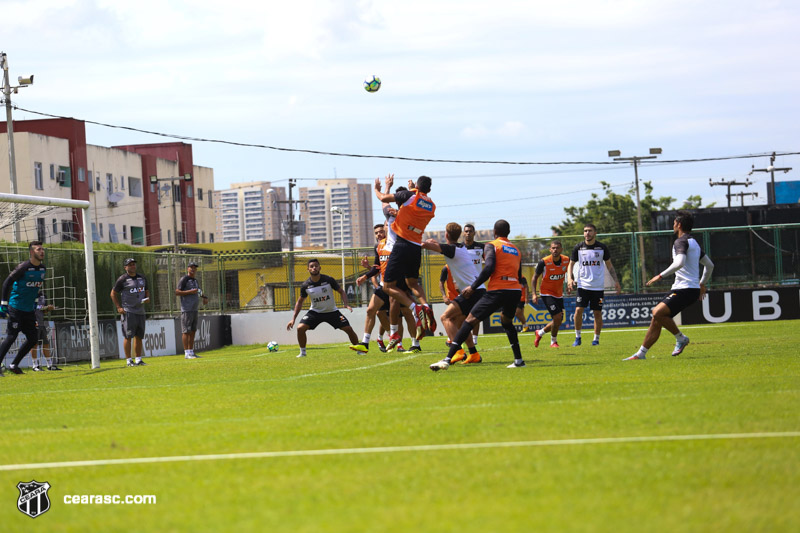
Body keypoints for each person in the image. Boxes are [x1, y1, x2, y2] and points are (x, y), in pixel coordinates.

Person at [430, 219, 526, 371]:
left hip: (497, 289)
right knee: (507, 322)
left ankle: (448, 358)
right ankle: (518, 360)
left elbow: (488, 268)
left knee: (468, 322)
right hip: (514, 290)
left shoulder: (491, 245)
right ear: (508, 232)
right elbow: (519, 274)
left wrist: (473, 287)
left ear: (494, 232)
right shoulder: (515, 249)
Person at [625, 211, 714, 361]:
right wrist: (702, 283)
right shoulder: (694, 242)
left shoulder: (680, 241)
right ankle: (641, 354)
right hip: (686, 289)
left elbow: (679, 263)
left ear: (678, 224)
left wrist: (660, 276)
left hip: (685, 289)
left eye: (674, 223)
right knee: (657, 319)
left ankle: (681, 338)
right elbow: (710, 265)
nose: (673, 225)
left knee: (657, 312)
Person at [373, 174, 437, 349]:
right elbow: (414, 207)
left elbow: (384, 200)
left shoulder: (405, 200)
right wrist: (412, 189)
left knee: (387, 287)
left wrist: (379, 189)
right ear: (429, 189)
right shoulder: (431, 204)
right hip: (416, 247)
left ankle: (416, 309)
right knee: (412, 283)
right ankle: (425, 307)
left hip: (401, 246)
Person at [423, 222, 484, 364]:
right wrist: (434, 242)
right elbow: (443, 247)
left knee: (445, 317)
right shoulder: (460, 247)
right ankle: (474, 354)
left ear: (446, 235)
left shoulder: (452, 249)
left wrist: (410, 240)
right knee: (460, 322)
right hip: (476, 290)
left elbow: (425, 246)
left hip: (472, 292)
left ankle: (458, 351)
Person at [287, 259, 360, 358]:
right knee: (300, 328)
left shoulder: (328, 280)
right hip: (315, 312)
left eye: (316, 266)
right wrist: (293, 319)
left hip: (332, 311)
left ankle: (359, 349)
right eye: (311, 266)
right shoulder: (305, 285)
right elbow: (300, 302)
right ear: (308, 269)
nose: (314, 268)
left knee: (348, 329)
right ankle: (302, 353)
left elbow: (341, 291)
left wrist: (346, 304)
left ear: (320, 267)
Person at [567, 224, 621, 346]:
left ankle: (596, 339)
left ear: (595, 233)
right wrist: (570, 279)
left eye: (590, 231)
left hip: (597, 286)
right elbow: (570, 264)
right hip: (582, 285)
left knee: (597, 312)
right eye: (585, 231)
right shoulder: (578, 248)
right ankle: (578, 337)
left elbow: (609, 266)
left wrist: (616, 281)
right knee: (578, 310)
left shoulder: (602, 248)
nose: (587, 233)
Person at [0, 241, 47, 375]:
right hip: (15, 308)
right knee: (11, 337)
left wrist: (36, 302)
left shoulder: (43, 269)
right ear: (32, 252)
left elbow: (36, 287)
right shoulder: (23, 267)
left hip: (28, 310)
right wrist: (3, 304)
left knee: (33, 338)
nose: (42, 251)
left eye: (43, 249)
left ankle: (14, 364)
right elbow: (6, 284)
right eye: (38, 249)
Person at [350, 224, 392, 354]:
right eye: (376, 233)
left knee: (404, 315)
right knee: (372, 311)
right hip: (383, 286)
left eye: (381, 232)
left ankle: (409, 343)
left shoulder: (394, 244)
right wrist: (365, 275)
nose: (378, 234)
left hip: (396, 286)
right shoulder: (377, 247)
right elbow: (377, 268)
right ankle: (365, 343)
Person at [111, 258, 149, 367]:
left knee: (139, 336)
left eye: (133, 264)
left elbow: (146, 290)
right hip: (129, 311)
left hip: (140, 311)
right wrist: (119, 307)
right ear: (125, 267)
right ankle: (129, 361)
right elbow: (113, 293)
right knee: (128, 336)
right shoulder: (122, 279)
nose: (132, 266)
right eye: (130, 265)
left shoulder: (142, 277)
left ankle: (138, 359)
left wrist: (147, 297)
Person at [532, 240, 570, 348]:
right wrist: (534, 294)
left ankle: (540, 333)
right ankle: (553, 342)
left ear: (561, 249)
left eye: (557, 248)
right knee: (557, 317)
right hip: (546, 293)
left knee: (559, 320)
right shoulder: (544, 262)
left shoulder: (567, 260)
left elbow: (570, 272)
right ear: (550, 250)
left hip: (558, 293)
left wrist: (570, 282)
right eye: (553, 248)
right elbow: (534, 278)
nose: (555, 250)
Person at [175, 261, 209, 360]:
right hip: (187, 309)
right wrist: (190, 291)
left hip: (194, 309)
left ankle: (191, 351)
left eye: (195, 268)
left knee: (193, 331)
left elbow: (198, 291)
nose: (193, 269)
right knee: (186, 331)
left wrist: (204, 297)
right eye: (191, 267)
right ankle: (186, 353)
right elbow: (177, 292)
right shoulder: (184, 279)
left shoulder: (195, 280)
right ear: (188, 269)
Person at [462, 223, 484, 345]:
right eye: (466, 231)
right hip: (463, 285)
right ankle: (463, 337)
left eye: (470, 231)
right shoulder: (460, 248)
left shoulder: (481, 247)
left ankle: (474, 339)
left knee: (476, 314)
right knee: (463, 314)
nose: (468, 233)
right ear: (463, 233)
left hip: (478, 286)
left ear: (474, 233)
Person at [30, 291, 60, 371]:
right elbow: (30, 308)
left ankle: (49, 365)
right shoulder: (30, 293)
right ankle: (35, 365)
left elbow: (43, 310)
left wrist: (49, 309)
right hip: (33, 322)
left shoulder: (43, 295)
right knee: (34, 344)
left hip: (42, 323)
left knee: (46, 343)